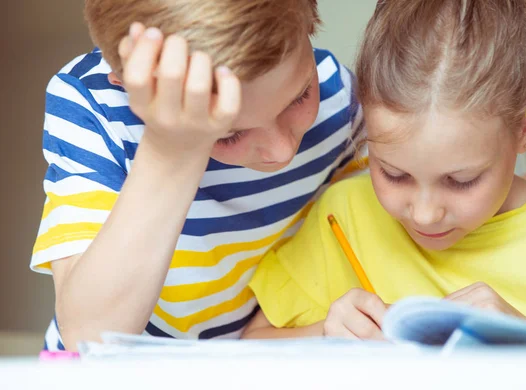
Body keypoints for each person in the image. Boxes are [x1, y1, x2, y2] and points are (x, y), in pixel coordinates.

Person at [31, 0, 366, 351]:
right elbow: (90, 338)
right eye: (228, 134)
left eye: (299, 97)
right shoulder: (95, 109)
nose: (282, 151)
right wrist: (169, 151)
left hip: (251, 364)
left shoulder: (339, 97)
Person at [243, 0, 526, 341]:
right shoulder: (341, 216)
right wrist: (324, 334)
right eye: (394, 174)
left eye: (461, 181)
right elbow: (250, 346)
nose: (425, 215)